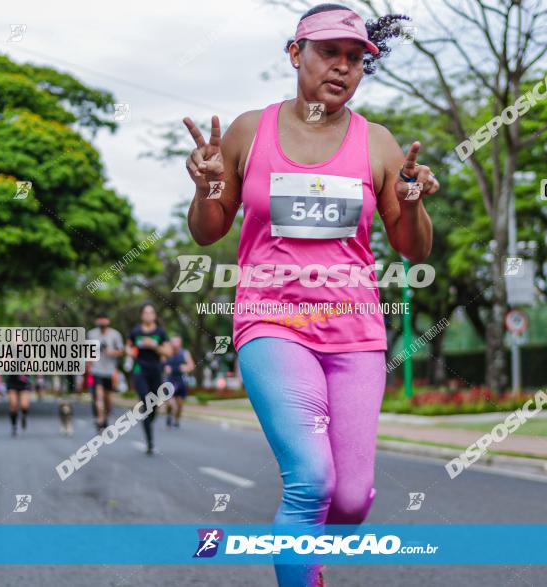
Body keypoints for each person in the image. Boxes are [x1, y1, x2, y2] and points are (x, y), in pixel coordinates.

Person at [182, 5, 435, 585]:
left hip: (356, 334)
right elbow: (209, 228)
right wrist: (208, 187)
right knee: (311, 481)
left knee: (348, 501)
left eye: (355, 59)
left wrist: (415, 203)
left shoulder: (379, 144)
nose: (342, 68)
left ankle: (307, 561)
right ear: (296, 54)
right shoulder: (251, 130)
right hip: (272, 324)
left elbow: (414, 250)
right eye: (329, 53)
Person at [126, 302, 171, 454]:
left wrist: (154, 346)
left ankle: (148, 421)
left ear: (155, 315)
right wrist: (130, 351)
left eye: (151, 312)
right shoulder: (136, 331)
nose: (148, 315)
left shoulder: (160, 332)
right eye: (145, 313)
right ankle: (150, 442)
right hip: (140, 370)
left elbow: (168, 352)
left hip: (156, 371)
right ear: (141, 315)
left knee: (155, 405)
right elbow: (129, 346)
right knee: (146, 403)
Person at [87, 313, 125, 430]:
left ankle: (105, 415)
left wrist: (111, 352)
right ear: (97, 321)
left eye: (104, 319)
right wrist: (89, 362)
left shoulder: (115, 334)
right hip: (96, 370)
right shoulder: (91, 334)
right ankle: (100, 420)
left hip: (109, 371)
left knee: (108, 398)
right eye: (100, 319)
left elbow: (121, 352)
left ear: (108, 321)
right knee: (98, 396)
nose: (102, 322)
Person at [164, 334, 195, 428]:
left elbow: (191, 366)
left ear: (180, 344)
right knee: (171, 403)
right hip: (170, 380)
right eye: (173, 342)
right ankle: (169, 414)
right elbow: (161, 363)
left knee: (180, 404)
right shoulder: (167, 353)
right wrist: (165, 368)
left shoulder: (184, 353)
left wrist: (186, 367)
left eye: (177, 342)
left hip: (181, 380)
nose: (175, 344)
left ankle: (176, 420)